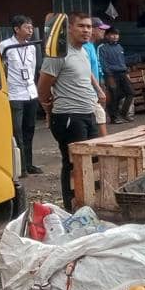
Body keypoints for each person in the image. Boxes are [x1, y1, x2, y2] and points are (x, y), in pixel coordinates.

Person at [38, 13, 98, 211]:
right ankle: (72, 207)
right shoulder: (58, 54)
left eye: (89, 27)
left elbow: (86, 76)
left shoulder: (84, 52)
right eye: (81, 26)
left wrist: (98, 92)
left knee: (92, 160)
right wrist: (46, 105)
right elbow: (43, 86)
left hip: (88, 113)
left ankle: (90, 204)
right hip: (69, 117)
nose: (86, 30)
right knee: (74, 164)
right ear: (69, 28)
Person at [0, 14, 42, 176]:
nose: (30, 30)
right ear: (16, 29)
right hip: (15, 94)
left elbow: (32, 70)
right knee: (17, 131)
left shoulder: (31, 47)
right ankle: (21, 166)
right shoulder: (5, 46)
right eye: (26, 27)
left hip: (30, 93)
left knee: (29, 129)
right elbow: (2, 69)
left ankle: (29, 164)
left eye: (31, 27)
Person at [97, 26, 134, 124]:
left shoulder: (119, 47)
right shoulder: (102, 48)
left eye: (116, 34)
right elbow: (102, 63)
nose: (115, 37)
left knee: (130, 93)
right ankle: (114, 118)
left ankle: (122, 114)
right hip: (111, 75)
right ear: (107, 36)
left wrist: (126, 73)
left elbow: (122, 62)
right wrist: (108, 76)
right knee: (113, 96)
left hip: (122, 73)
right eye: (112, 34)